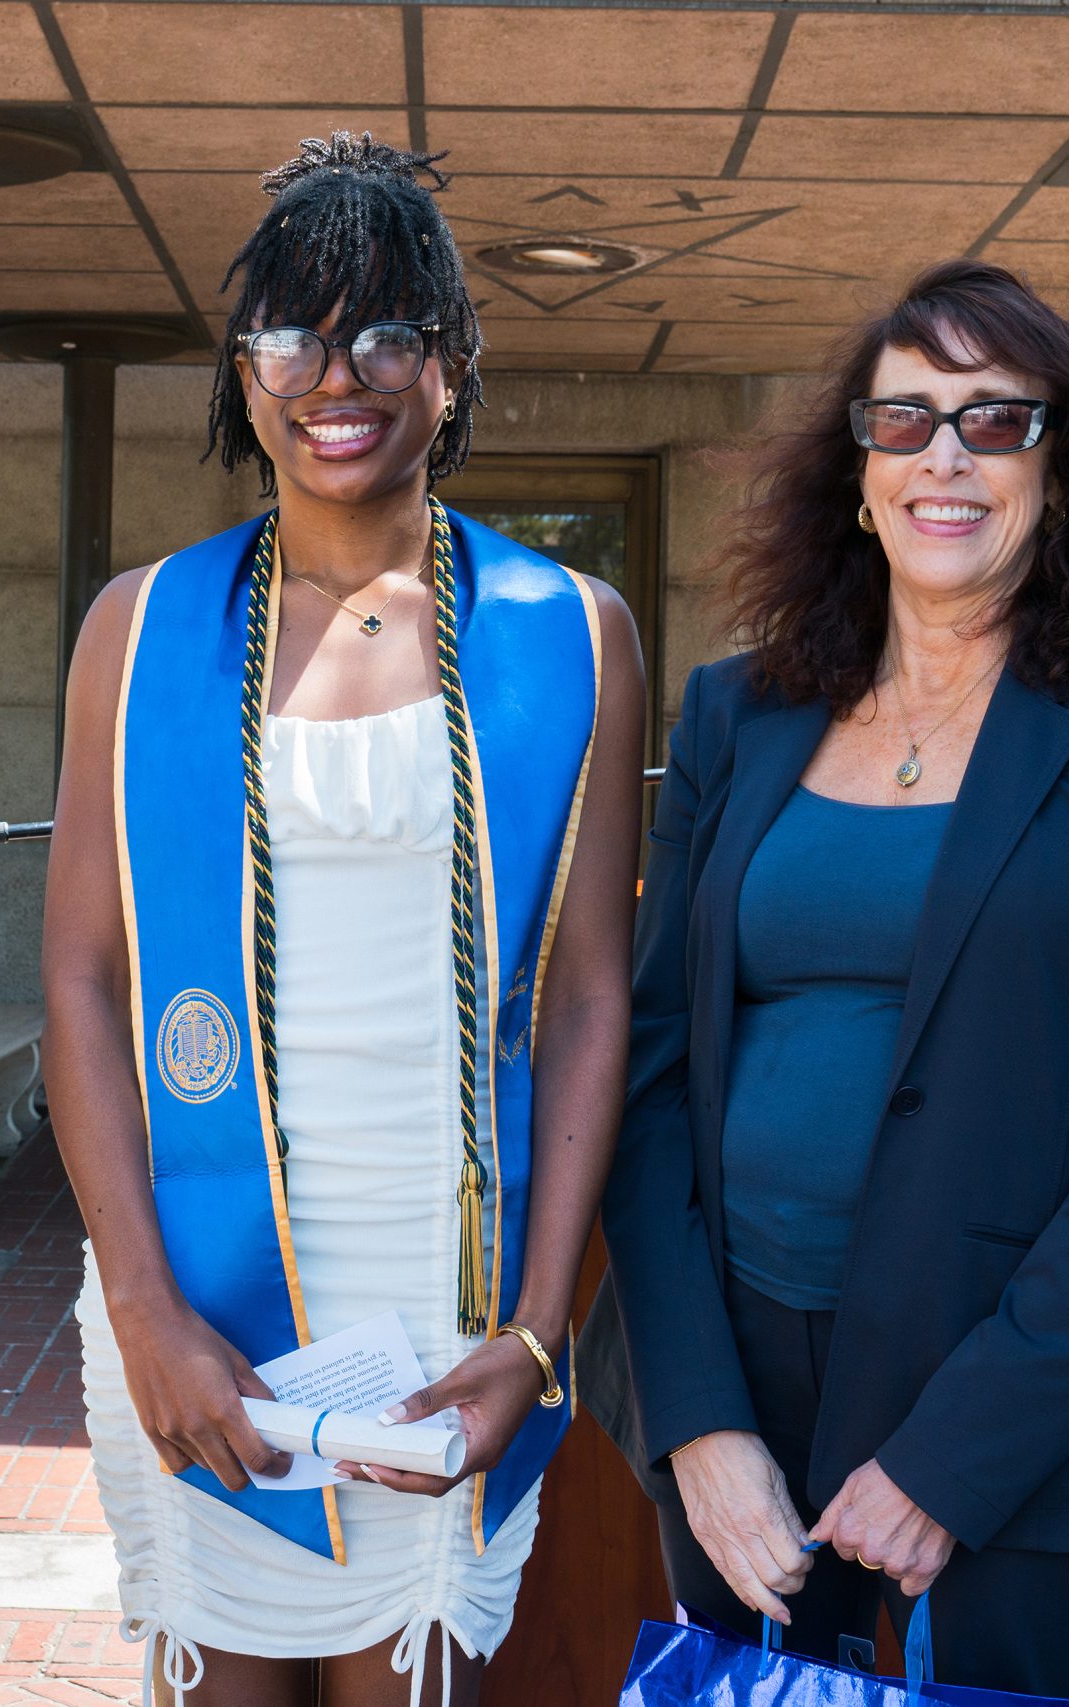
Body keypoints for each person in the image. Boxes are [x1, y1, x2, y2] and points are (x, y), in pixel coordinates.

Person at [579, 260, 1069, 1707]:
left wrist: (952, 1460)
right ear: (861, 464)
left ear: (1064, 469)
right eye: (906, 420)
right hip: (739, 1371)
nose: (944, 455)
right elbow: (646, 1077)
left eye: (996, 420)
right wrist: (696, 1418)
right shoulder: (735, 716)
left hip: (1010, 1393)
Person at [42, 133, 644, 1707]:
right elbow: (85, 986)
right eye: (292, 331)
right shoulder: (145, 626)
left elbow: (586, 1004)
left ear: (451, 369)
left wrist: (533, 1330)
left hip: (446, 1292)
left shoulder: (567, 632)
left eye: (387, 330)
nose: (337, 372)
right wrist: (145, 1308)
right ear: (242, 374)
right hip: (199, 1282)